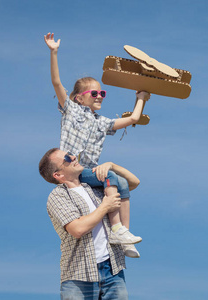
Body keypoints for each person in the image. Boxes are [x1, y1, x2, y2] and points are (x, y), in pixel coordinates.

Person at [44, 32, 150, 257]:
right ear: (79, 98)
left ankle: (125, 234)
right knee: (110, 177)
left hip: (88, 170)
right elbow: (56, 82)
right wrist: (53, 52)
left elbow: (132, 119)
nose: (100, 96)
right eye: (94, 93)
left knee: (120, 183)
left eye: (102, 92)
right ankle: (117, 228)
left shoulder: (102, 123)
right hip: (74, 171)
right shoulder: (71, 111)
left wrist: (140, 98)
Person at [39, 148, 136, 299]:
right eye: (67, 158)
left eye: (70, 153)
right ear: (58, 175)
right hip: (78, 276)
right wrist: (105, 206)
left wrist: (111, 166)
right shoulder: (58, 196)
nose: (73, 157)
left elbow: (133, 183)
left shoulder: (96, 187)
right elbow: (77, 229)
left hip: (112, 270)